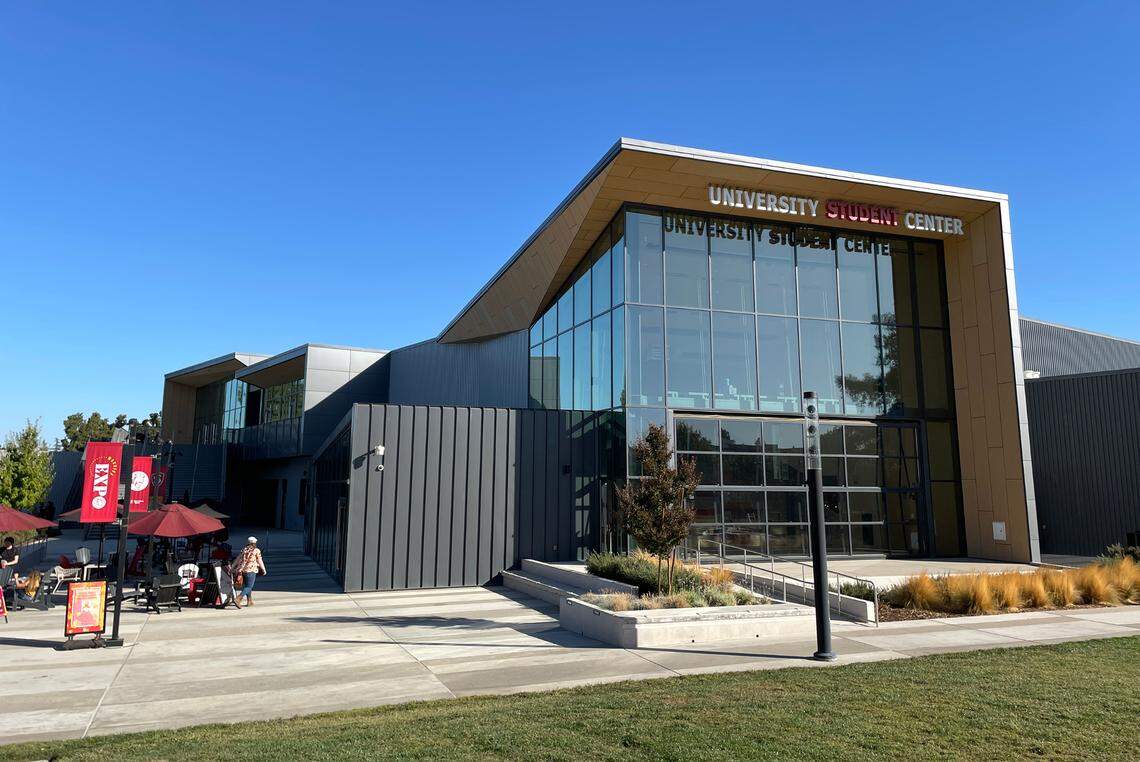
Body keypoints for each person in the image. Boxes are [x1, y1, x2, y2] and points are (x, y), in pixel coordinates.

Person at [231, 536, 266, 607]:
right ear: (255, 543)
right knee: (249, 587)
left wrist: (232, 567)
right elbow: (260, 561)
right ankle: (238, 598)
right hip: (251, 570)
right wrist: (264, 569)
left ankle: (249, 601)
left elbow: (238, 559)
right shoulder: (256, 550)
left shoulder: (244, 549)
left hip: (242, 570)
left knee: (247, 586)